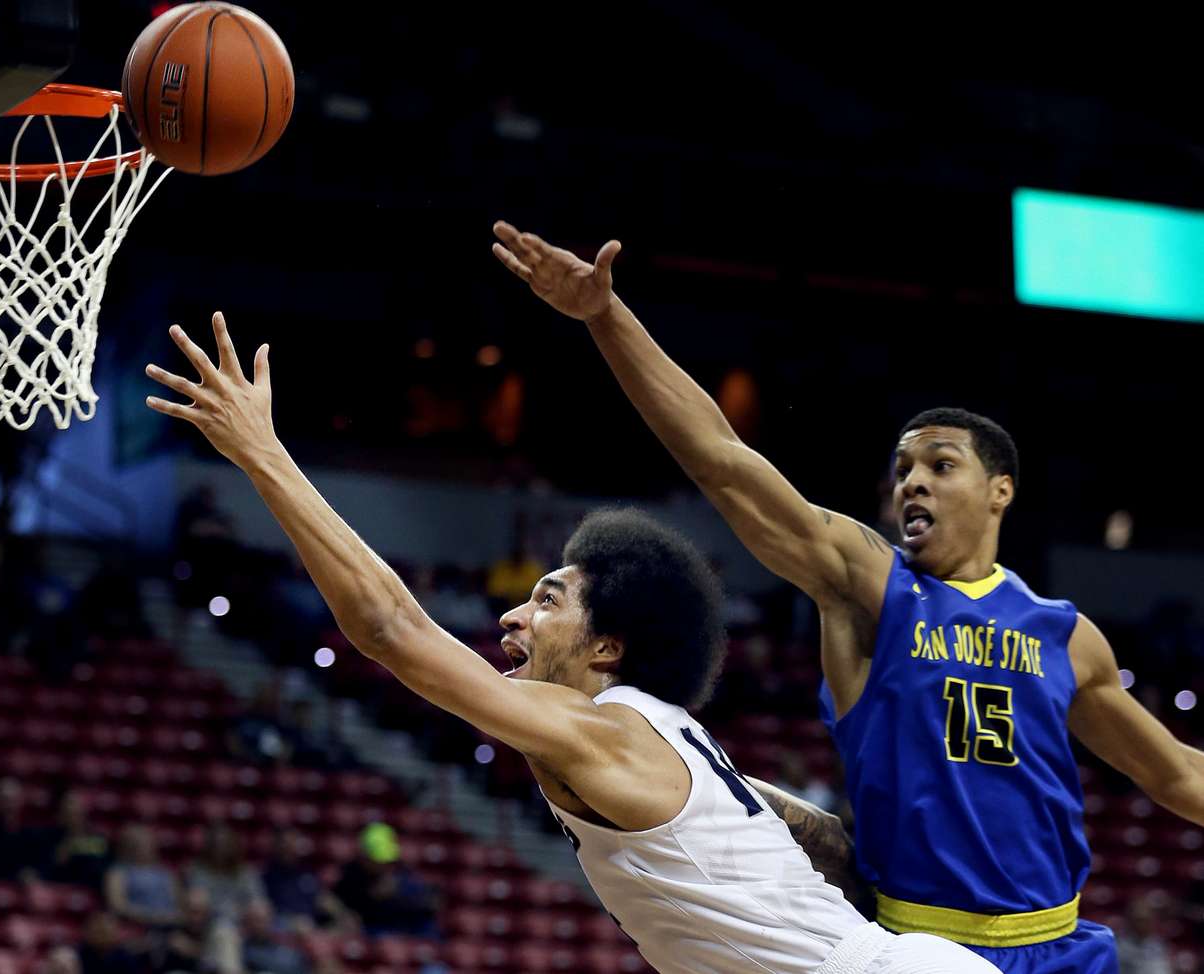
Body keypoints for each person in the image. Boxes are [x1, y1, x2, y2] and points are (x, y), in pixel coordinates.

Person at [144, 312, 1001, 974]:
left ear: (607, 650)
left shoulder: (600, 732)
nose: (513, 619)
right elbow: (818, 836)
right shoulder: (676, 740)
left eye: (547, 600)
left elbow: (391, 630)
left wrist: (263, 455)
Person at [490, 220, 1204, 973]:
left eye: (940, 463)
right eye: (902, 468)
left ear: (1001, 491)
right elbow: (722, 462)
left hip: (1062, 947)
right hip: (919, 948)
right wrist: (607, 317)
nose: (913, 480)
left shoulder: (1067, 636)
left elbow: (1176, 774)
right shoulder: (871, 587)